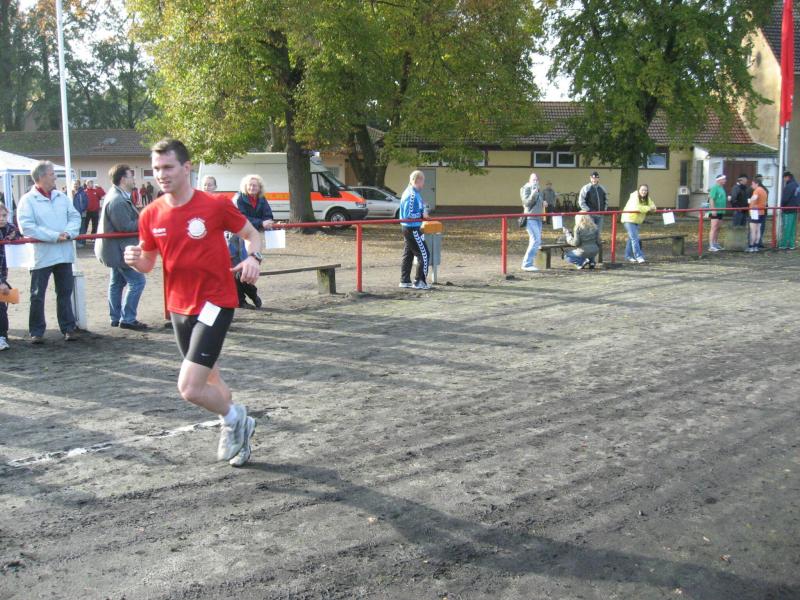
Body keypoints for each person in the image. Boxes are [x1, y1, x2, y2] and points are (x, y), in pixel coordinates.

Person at [124, 139, 263, 467]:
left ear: (186, 168)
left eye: (168, 167)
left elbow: (252, 235)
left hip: (215, 302)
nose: (161, 174)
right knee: (210, 377)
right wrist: (134, 259)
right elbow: (147, 263)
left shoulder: (215, 205)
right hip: (178, 307)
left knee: (189, 387)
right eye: (156, 168)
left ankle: (235, 419)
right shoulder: (150, 214)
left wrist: (253, 258)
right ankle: (240, 434)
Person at [17, 161, 82, 343]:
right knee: (37, 295)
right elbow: (27, 226)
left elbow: (75, 216)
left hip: (63, 253)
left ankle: (68, 327)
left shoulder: (62, 197)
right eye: (52, 173)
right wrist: (54, 236)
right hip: (42, 255)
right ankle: (36, 332)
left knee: (65, 293)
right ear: (42, 176)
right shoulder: (27, 200)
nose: (55, 177)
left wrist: (69, 233)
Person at [95, 164, 149, 330]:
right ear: (123, 179)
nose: (134, 179)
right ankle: (128, 318)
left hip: (114, 249)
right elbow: (125, 226)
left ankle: (116, 317)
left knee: (117, 283)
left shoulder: (117, 196)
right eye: (131, 176)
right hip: (119, 250)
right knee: (137, 282)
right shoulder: (117, 200)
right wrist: (145, 219)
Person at [229, 174, 274, 308]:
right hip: (236, 237)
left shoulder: (261, 199)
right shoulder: (239, 198)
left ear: (260, 187)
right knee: (239, 268)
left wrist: (267, 222)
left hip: (252, 237)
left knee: (248, 267)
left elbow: (268, 215)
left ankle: (246, 297)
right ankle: (246, 297)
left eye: (255, 185)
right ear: (245, 186)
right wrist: (261, 222)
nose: (252, 187)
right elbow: (241, 219)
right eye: (250, 185)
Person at [399, 170, 430, 289]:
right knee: (424, 254)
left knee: (408, 253)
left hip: (408, 228)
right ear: (417, 180)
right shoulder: (411, 195)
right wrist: (422, 215)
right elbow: (409, 215)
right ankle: (419, 281)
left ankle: (405, 280)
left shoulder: (413, 193)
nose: (423, 185)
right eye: (422, 182)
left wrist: (422, 210)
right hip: (412, 228)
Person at [620, 183, 657, 263]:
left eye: (646, 190)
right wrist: (649, 208)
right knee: (635, 238)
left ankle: (628, 256)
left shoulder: (647, 198)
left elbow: (653, 206)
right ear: (638, 190)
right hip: (629, 219)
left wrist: (652, 208)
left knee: (631, 238)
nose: (644, 192)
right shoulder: (634, 197)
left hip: (637, 221)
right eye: (642, 190)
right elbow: (637, 207)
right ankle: (639, 256)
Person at [0, 204, 18, 351]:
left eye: (4, 215)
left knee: (2, 304)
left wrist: (14, 234)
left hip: (2, 275)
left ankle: (2, 336)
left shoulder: (8, 229)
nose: (2, 219)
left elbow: (16, 230)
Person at [520, 172, 546, 272]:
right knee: (535, 240)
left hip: (538, 218)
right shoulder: (526, 188)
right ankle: (526, 264)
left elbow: (538, 202)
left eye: (536, 180)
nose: (535, 181)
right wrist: (533, 193)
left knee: (537, 241)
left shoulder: (538, 189)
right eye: (533, 180)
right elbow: (526, 203)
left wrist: (543, 203)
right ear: (529, 180)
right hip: (530, 218)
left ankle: (529, 263)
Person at [747, 178, 768, 252]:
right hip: (762, 211)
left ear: (757, 184)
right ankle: (756, 246)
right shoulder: (764, 191)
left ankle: (751, 246)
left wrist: (751, 204)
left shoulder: (756, 191)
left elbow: (754, 199)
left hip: (755, 212)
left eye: (752, 184)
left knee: (753, 230)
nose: (751, 185)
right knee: (758, 230)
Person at [779, 171, 799, 250]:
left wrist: (782, 206)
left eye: (784, 178)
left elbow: (785, 199)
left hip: (787, 210)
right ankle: (791, 244)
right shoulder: (797, 185)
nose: (784, 180)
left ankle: (784, 244)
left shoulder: (789, 186)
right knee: (793, 228)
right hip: (795, 209)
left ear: (787, 177)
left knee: (786, 228)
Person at [708, 174, 727, 252]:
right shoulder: (714, 188)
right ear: (719, 180)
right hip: (715, 211)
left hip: (721, 211)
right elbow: (711, 199)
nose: (725, 180)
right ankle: (711, 245)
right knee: (714, 227)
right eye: (724, 179)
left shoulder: (722, 188)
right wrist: (713, 209)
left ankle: (715, 243)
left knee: (718, 228)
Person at [71, 180, 89, 248]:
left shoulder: (83, 193)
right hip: (71, 215)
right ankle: (74, 242)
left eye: (76, 184)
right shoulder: (69, 192)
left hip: (81, 214)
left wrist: (82, 209)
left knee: (82, 228)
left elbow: (86, 202)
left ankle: (81, 242)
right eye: (74, 184)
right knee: (72, 228)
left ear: (79, 185)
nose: (75, 185)